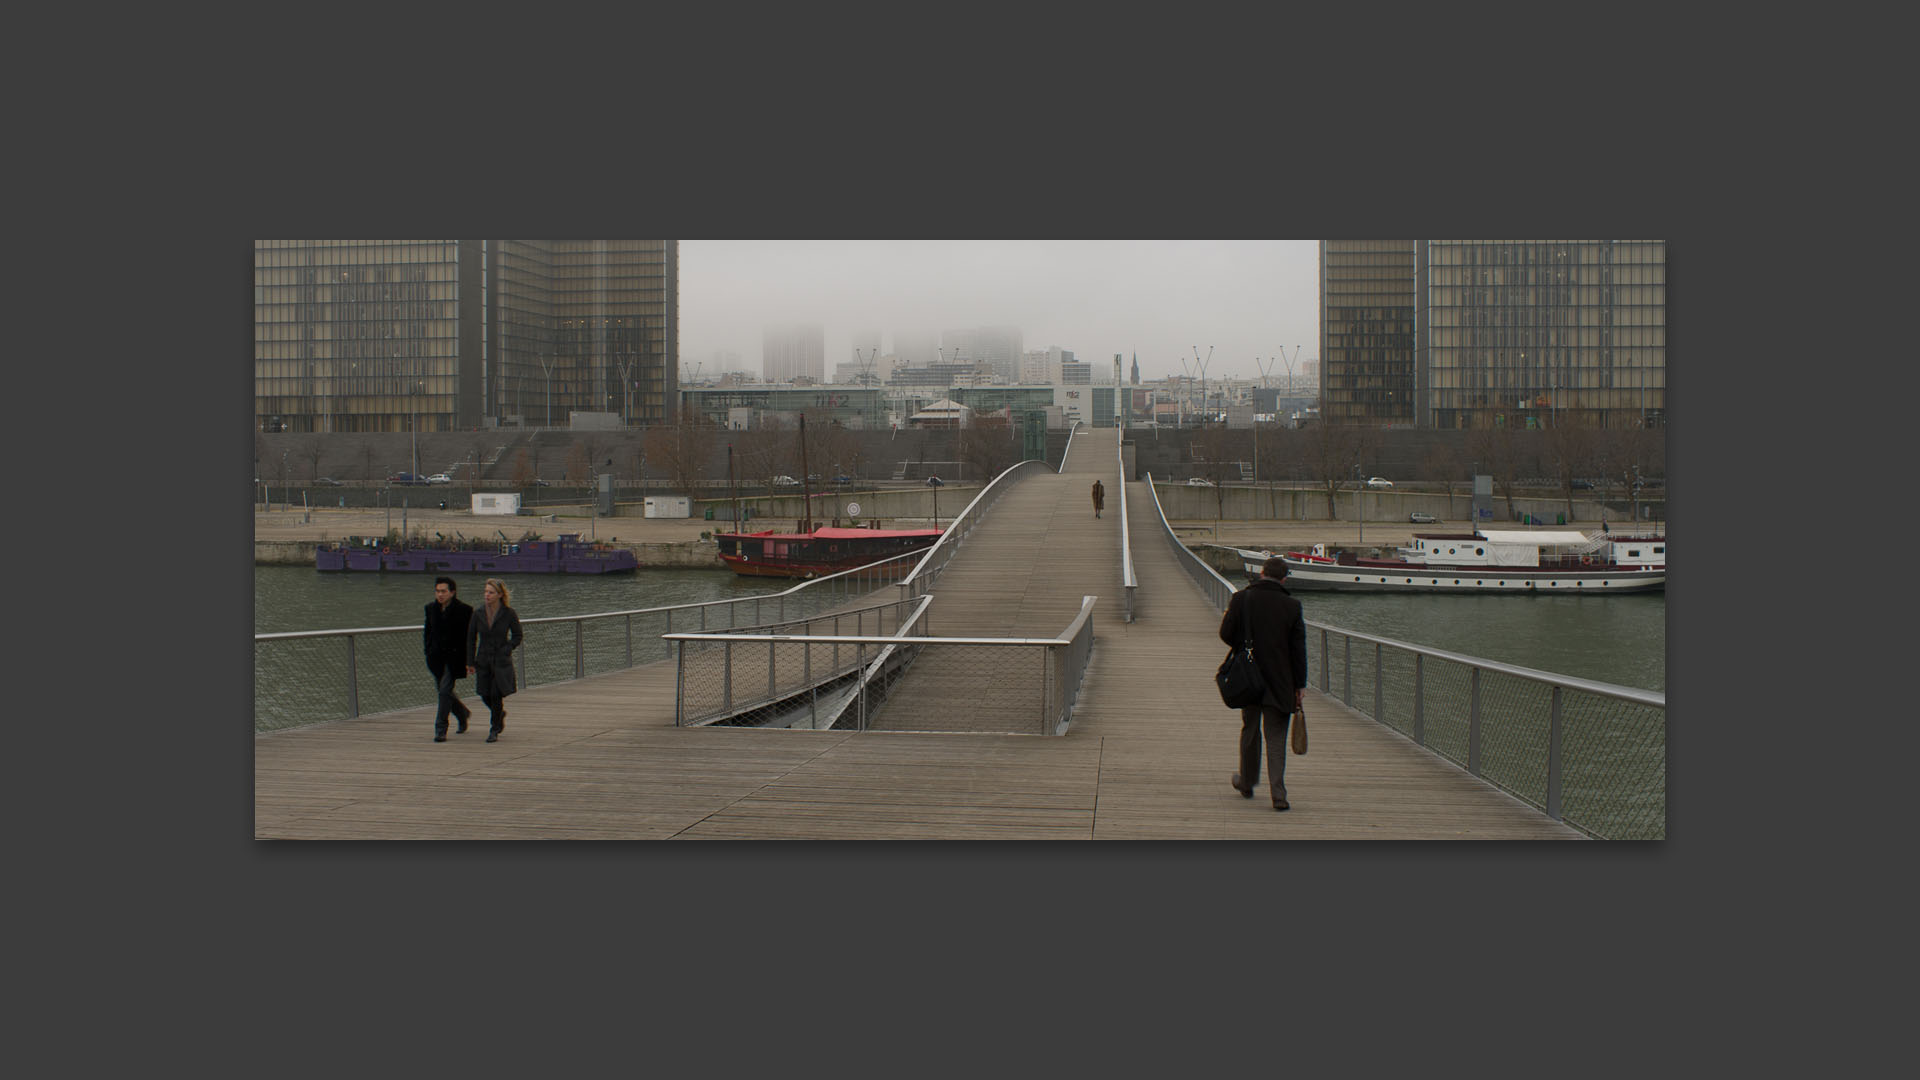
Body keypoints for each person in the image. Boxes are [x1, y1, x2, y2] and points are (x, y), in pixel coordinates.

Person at [1218, 556, 1308, 810]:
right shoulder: (1292, 606)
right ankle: (1278, 794)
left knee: (1250, 729)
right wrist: (1300, 685)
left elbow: (1225, 634)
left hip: (1249, 676)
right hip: (1281, 681)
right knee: (1276, 737)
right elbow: (1298, 651)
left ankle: (1246, 782)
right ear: (1284, 578)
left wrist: (1244, 645)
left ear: (1260, 573)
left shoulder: (1242, 599)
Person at [466, 577, 523, 743]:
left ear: (499, 594)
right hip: (483, 659)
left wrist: (507, 648)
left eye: (490, 592)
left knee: (495, 694)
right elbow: (471, 638)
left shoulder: (508, 613)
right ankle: (499, 714)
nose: (487, 595)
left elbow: (517, 635)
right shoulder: (478, 613)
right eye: (485, 592)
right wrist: (470, 662)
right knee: (484, 694)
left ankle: (494, 729)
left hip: (500, 660)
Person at [424, 576, 474, 741]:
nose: (440, 595)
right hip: (436, 658)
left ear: (452, 592)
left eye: (443, 591)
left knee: (444, 690)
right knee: (443, 691)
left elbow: (469, 638)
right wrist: (428, 651)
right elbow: (428, 632)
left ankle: (440, 729)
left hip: (454, 658)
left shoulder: (465, 610)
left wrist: (469, 660)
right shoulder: (430, 608)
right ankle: (462, 713)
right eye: (437, 591)